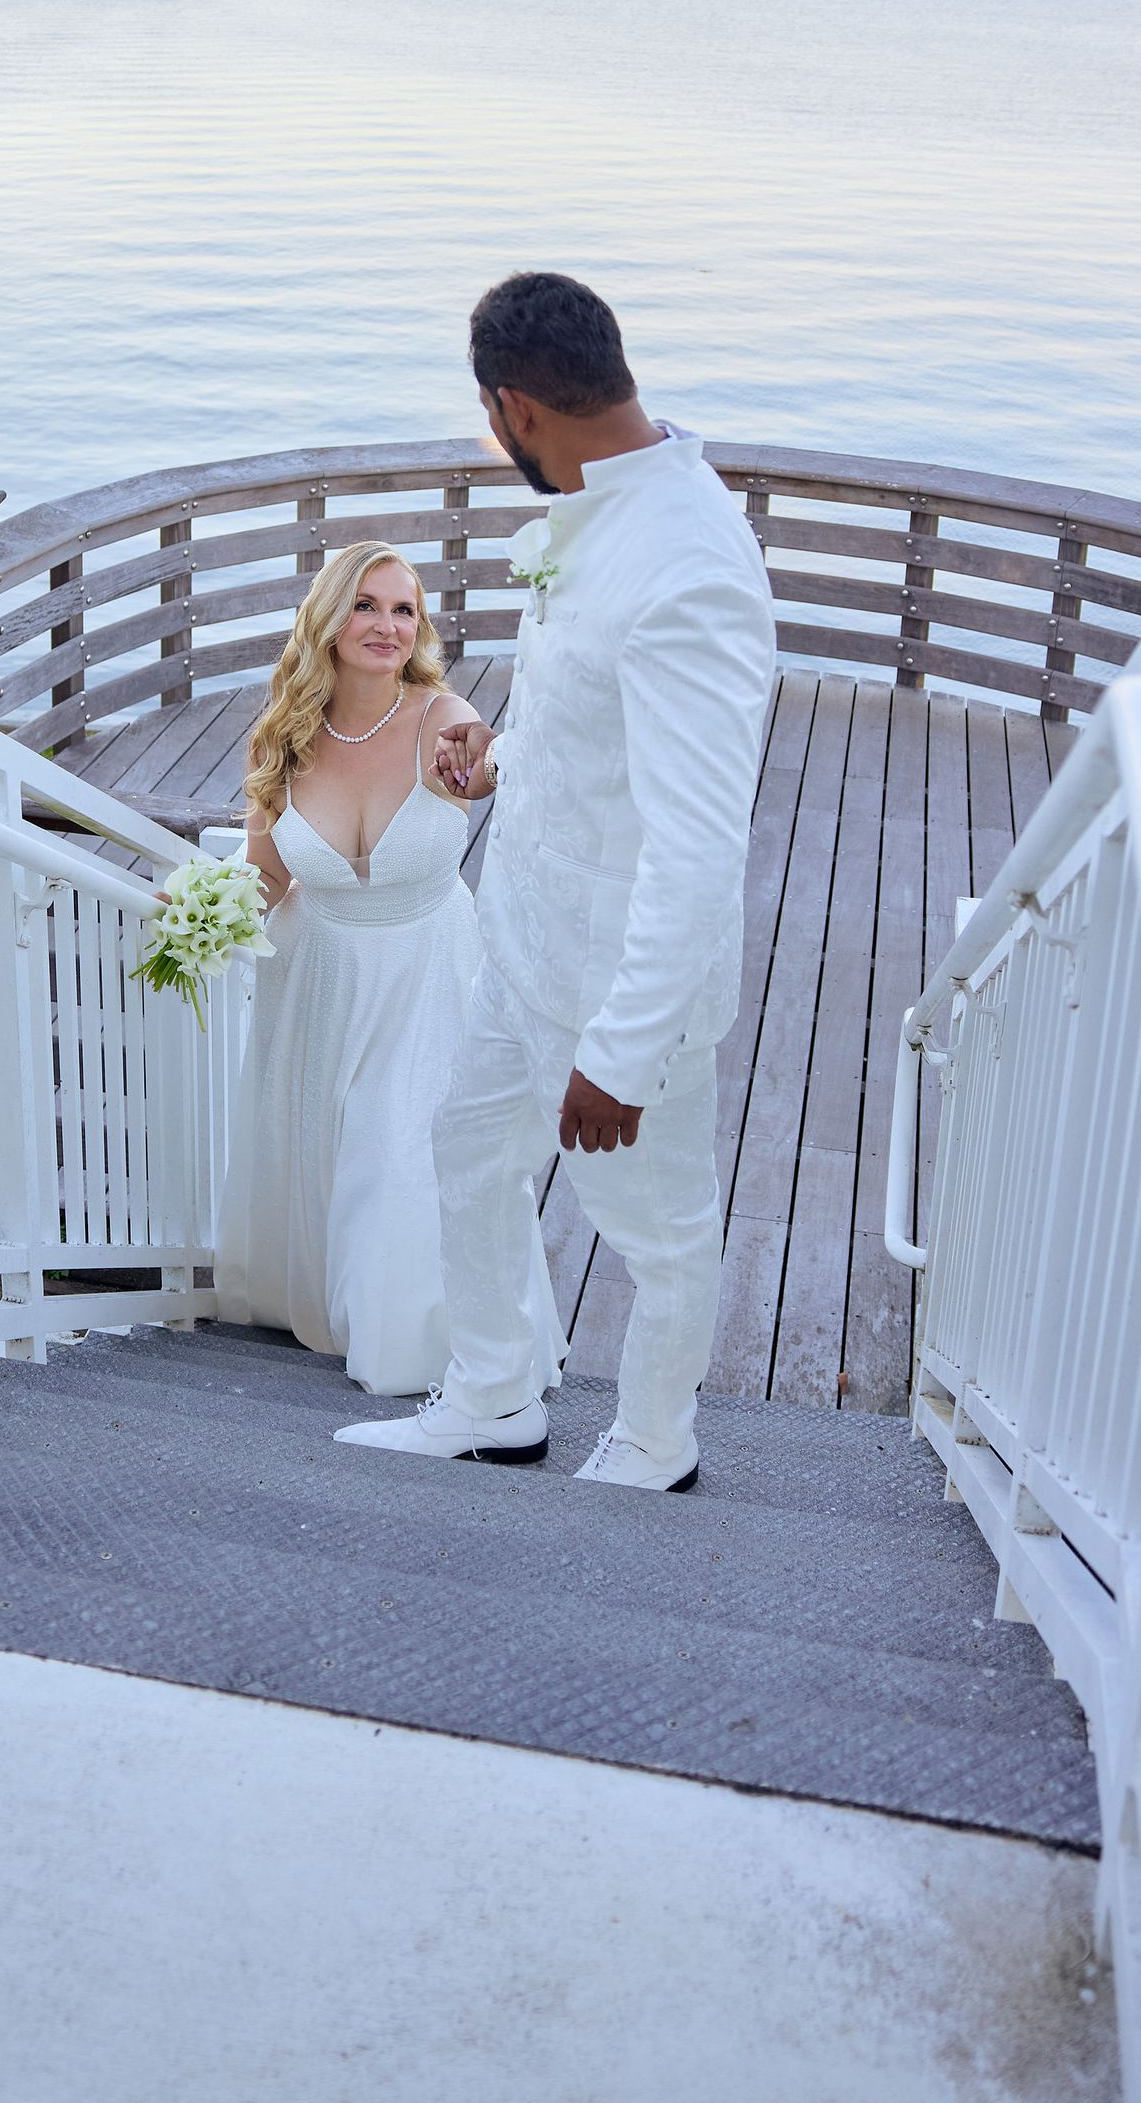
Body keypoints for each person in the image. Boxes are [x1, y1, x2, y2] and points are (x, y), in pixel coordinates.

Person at [337, 271, 777, 1485]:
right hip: (523, 947)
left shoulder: (688, 567)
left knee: (658, 1230)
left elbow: (698, 845)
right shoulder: (599, 504)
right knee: (467, 1150)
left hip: (619, 986)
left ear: (513, 407)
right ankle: (492, 1397)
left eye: (491, 420)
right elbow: (598, 726)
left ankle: (652, 1441)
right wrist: (505, 753)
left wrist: (623, 1050)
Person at [213, 538, 564, 1397]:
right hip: (323, 981)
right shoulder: (283, 738)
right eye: (367, 605)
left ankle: (432, 1351)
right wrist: (197, 921)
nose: (386, 625)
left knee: (400, 1151)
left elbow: (505, 770)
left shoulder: (445, 720)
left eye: (403, 609)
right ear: (330, 620)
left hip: (431, 974)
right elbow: (267, 875)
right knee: (338, 1154)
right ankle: (345, 1314)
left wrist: (500, 752)